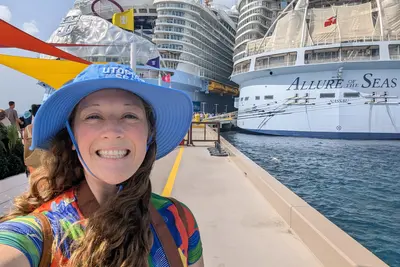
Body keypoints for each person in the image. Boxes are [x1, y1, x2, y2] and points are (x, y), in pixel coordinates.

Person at [0, 63, 204, 267]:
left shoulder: (179, 220)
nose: (113, 130)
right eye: (93, 116)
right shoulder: (40, 234)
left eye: (130, 116)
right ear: (72, 137)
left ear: (148, 135)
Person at [23, 104, 42, 174]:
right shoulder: (45, 127)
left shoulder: (27, 128)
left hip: (32, 165)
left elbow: (25, 146)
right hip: (44, 163)